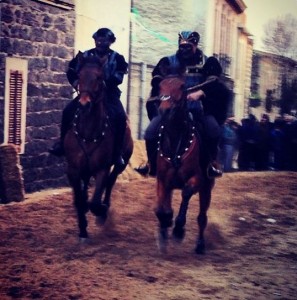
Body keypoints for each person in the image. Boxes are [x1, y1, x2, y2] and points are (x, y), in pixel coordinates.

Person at [135, 30, 231, 178]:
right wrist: (163, 92)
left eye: (188, 46)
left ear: (195, 45)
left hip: (199, 109)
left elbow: (215, 83)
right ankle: (151, 164)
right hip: (172, 108)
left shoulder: (208, 62)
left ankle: (212, 164)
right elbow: (157, 80)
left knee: (213, 130)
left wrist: (201, 93)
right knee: (150, 132)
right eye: (182, 46)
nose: (185, 49)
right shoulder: (167, 62)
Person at [48, 28, 128, 167]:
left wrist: (105, 83)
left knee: (120, 116)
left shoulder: (118, 58)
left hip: (109, 94)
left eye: (104, 40)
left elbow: (119, 77)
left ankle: (117, 152)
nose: (100, 42)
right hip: (87, 92)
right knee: (67, 111)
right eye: (98, 39)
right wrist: (77, 83)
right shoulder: (84, 55)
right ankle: (61, 144)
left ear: (110, 42)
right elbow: (71, 71)